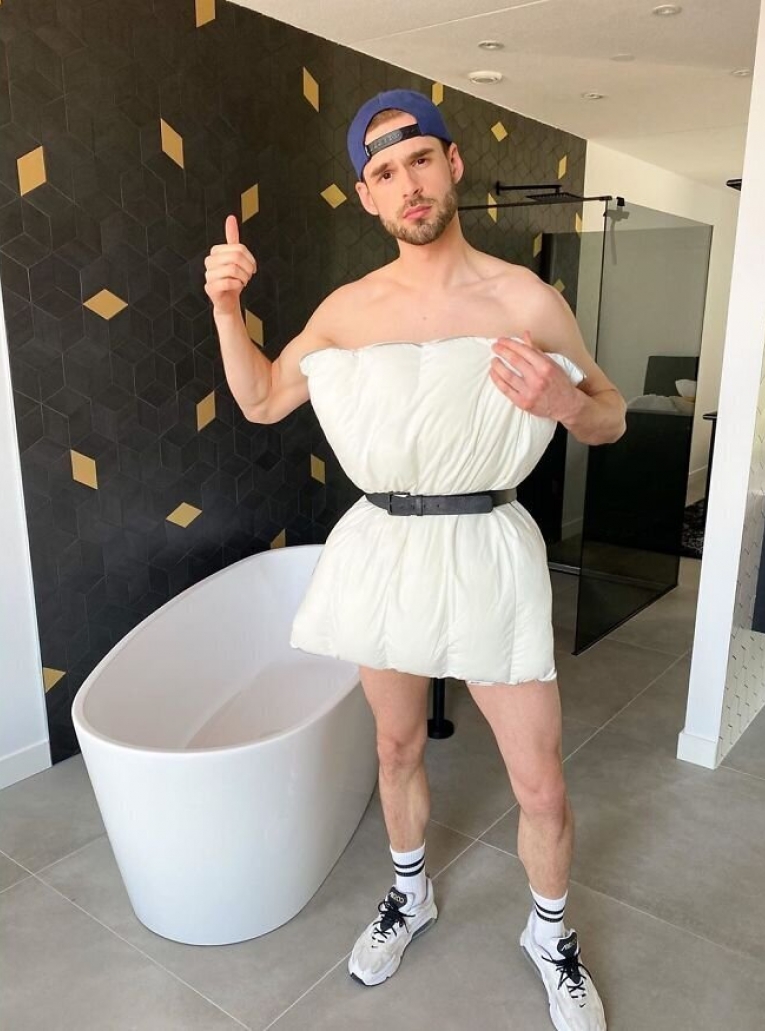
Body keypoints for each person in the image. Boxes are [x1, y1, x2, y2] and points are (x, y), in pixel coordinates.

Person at [204, 88, 625, 1031]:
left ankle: (550, 935)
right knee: (394, 747)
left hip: (488, 546)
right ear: (367, 196)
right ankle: (409, 893)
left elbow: (609, 414)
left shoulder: (524, 298)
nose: (408, 184)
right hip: (385, 546)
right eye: (385, 172)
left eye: (420, 159)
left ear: (452, 163)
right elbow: (263, 399)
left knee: (540, 781)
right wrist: (227, 307)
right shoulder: (349, 309)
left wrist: (564, 405)